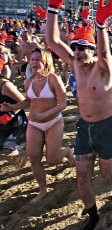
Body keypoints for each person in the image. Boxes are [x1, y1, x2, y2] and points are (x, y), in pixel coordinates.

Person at [45, 0, 112, 230]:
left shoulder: (103, 68)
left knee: (107, 174)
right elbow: (51, 41)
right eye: (74, 47)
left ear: (92, 52)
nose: (76, 52)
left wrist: (102, 26)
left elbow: (105, 52)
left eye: (82, 48)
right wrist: (53, 9)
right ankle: (92, 214)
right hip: (85, 127)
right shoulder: (74, 63)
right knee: (82, 176)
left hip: (107, 126)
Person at [2, 48, 75, 203]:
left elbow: (63, 104)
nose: (34, 63)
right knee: (34, 159)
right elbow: (29, 101)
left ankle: (67, 152)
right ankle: (43, 190)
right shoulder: (29, 81)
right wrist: (13, 107)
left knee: (52, 159)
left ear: (46, 61)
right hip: (34, 123)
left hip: (53, 121)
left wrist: (44, 114)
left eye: (38, 60)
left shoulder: (53, 79)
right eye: (32, 59)